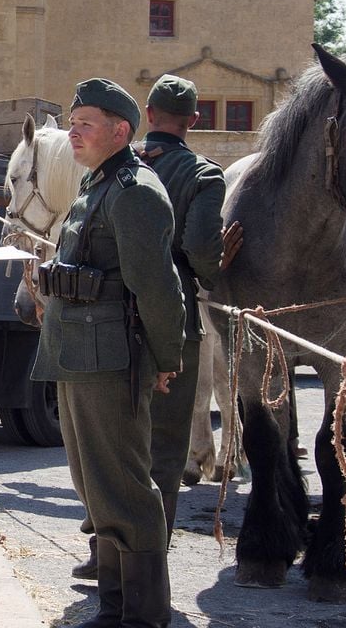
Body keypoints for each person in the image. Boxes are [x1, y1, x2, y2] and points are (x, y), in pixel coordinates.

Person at [32, 78, 185, 628]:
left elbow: (159, 288)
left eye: (85, 124)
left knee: (123, 484)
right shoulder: (97, 184)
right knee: (94, 483)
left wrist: (166, 359)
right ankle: (116, 604)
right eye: (72, 123)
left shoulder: (134, 191)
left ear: (120, 131)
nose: (73, 132)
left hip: (110, 360)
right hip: (78, 354)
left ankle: (144, 614)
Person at [136, 75, 231, 546]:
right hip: (174, 320)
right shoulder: (204, 175)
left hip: (110, 318)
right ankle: (150, 553)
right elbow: (200, 248)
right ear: (194, 121)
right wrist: (216, 270)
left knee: (115, 438)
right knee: (167, 446)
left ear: (148, 114)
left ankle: (104, 546)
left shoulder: (117, 165)